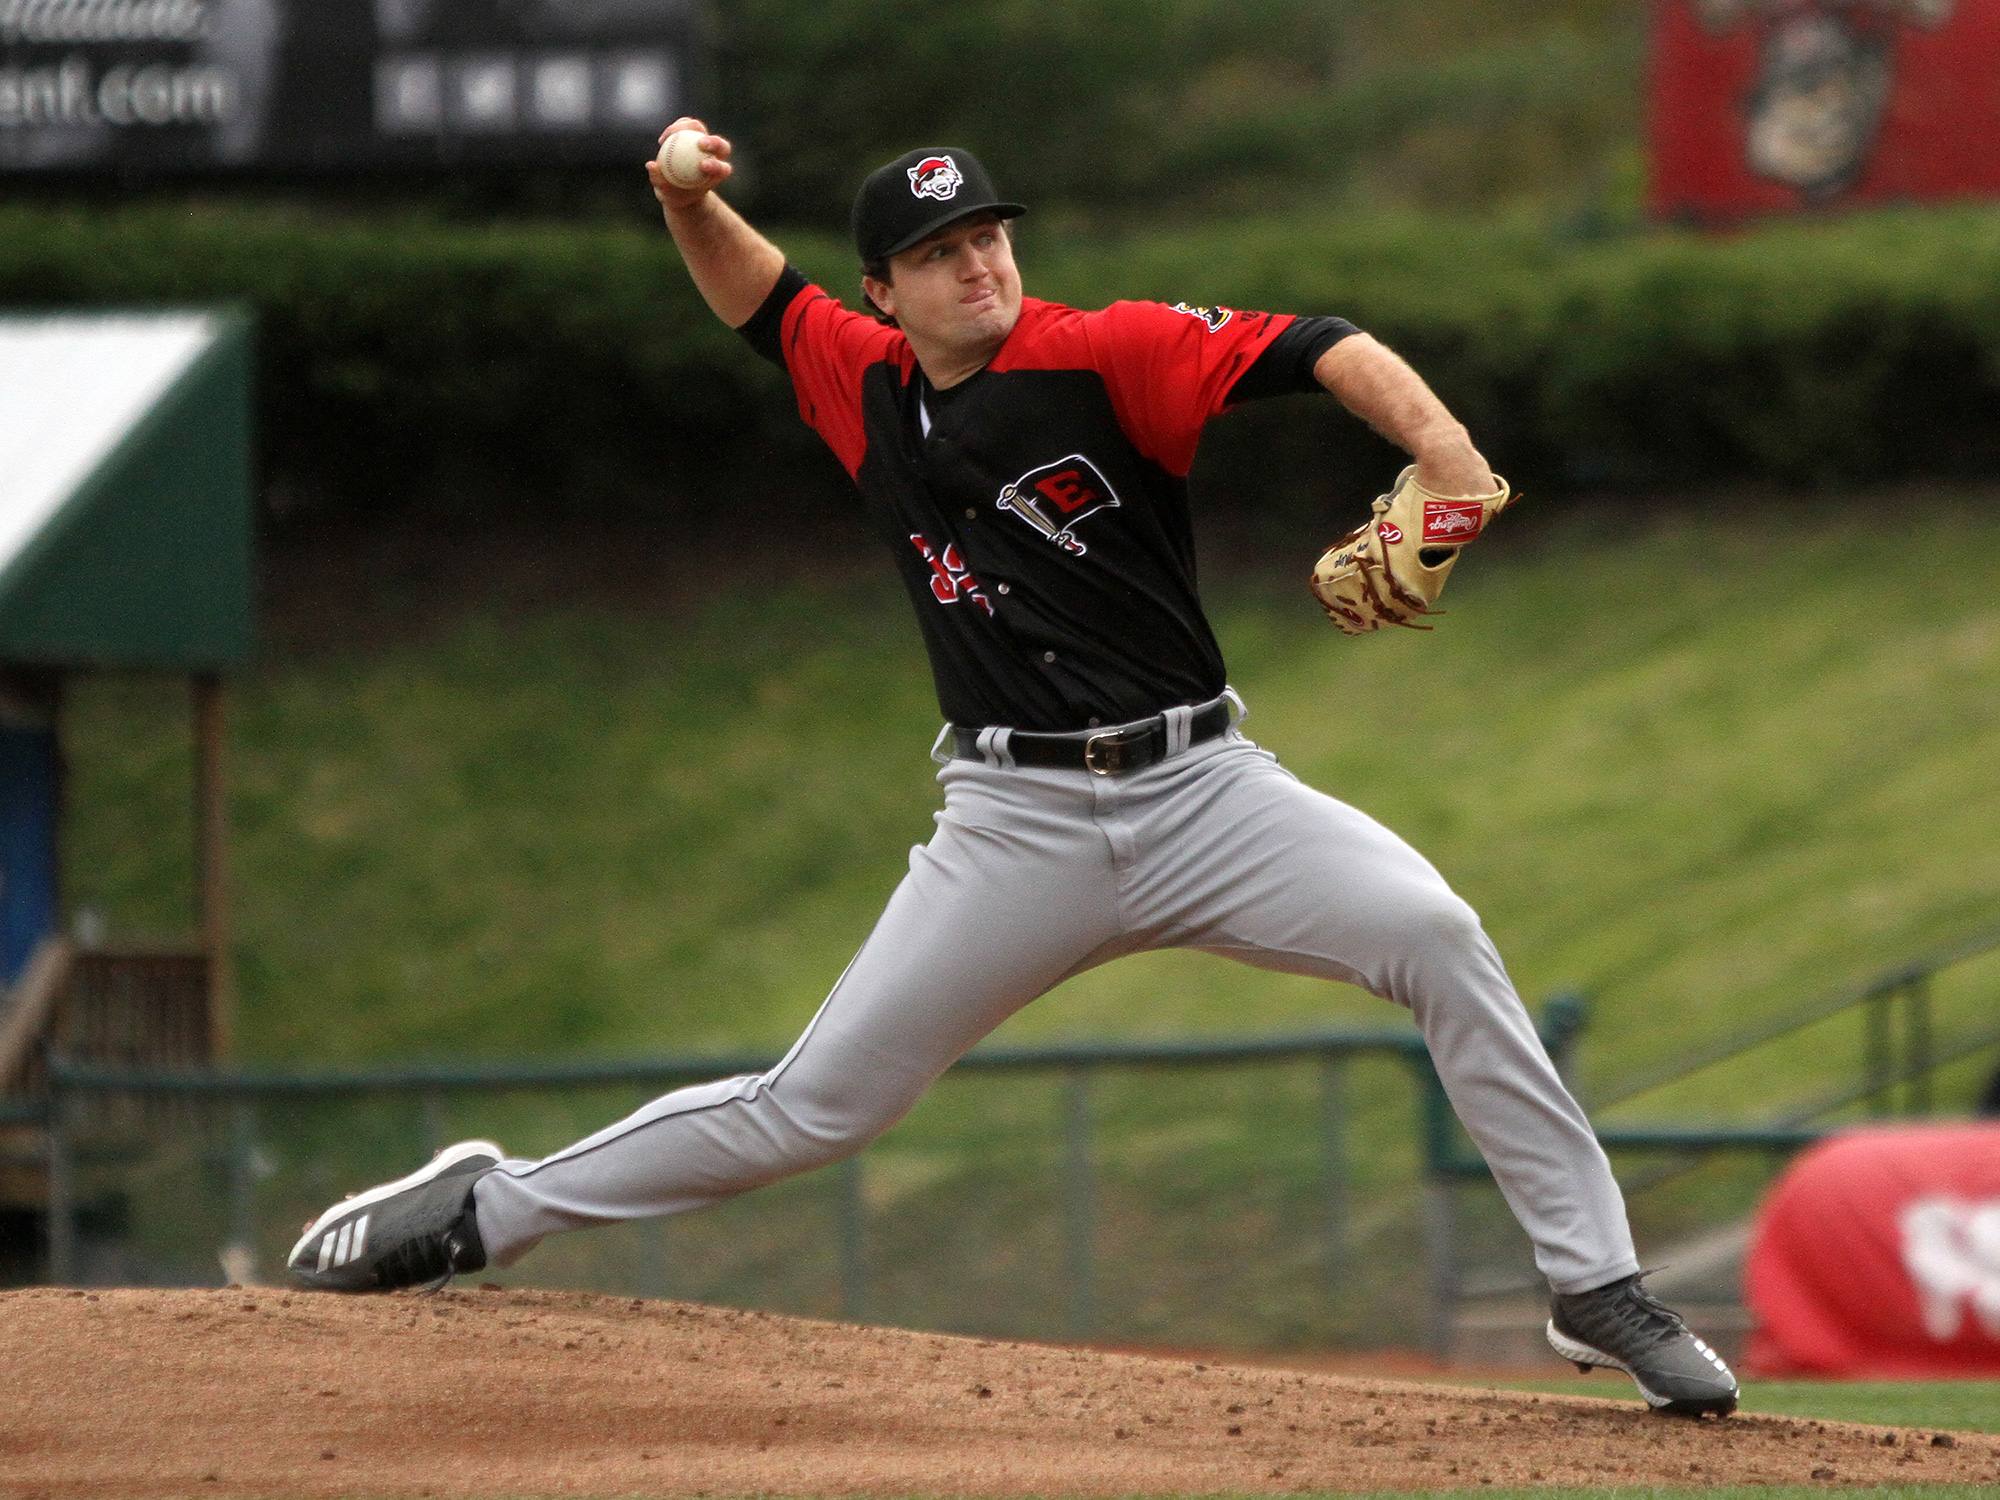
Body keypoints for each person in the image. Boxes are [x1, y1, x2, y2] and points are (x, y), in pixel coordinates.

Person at [287, 123, 1738, 1418]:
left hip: (1206, 793)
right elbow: (757, 296)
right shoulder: (861, 384)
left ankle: (1595, 1285)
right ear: (886, 292)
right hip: (1013, 820)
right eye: (935, 250)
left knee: (1438, 935)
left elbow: (1325, 343)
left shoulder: (1103, 352)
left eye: (986, 234)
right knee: (818, 1107)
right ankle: (486, 1210)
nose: (975, 262)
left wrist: (1451, 456)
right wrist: (680, 197)